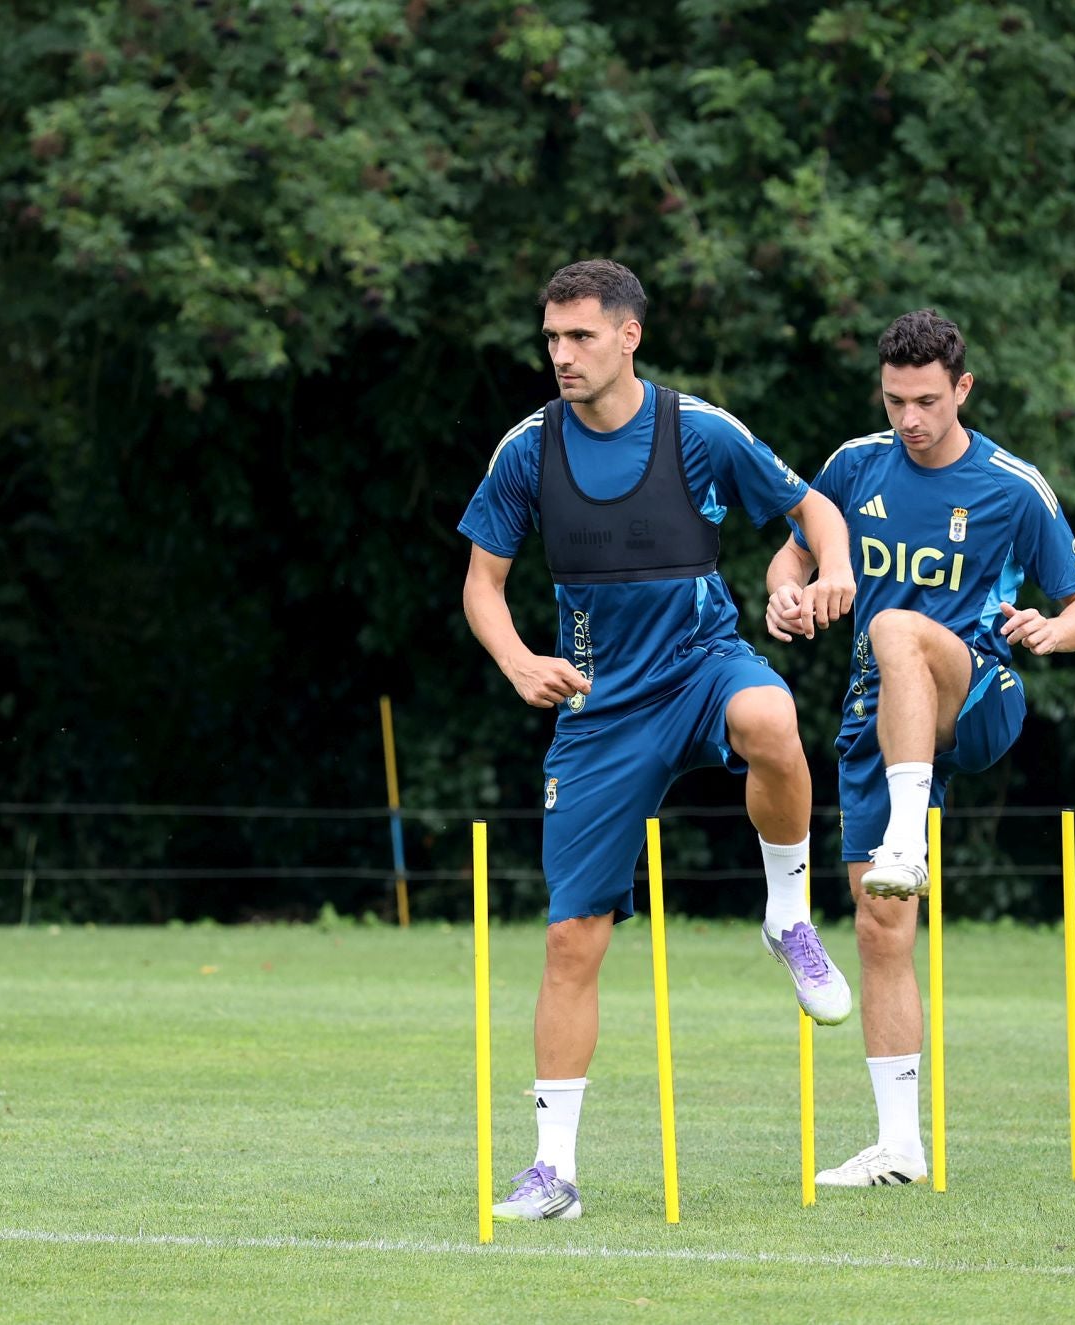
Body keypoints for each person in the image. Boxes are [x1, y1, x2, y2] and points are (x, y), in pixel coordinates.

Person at [459, 259, 856, 1221]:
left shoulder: (701, 430)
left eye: (580, 336)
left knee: (772, 718)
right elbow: (483, 587)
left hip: (703, 662)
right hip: (599, 706)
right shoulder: (528, 449)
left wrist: (832, 569)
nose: (561, 354)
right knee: (569, 940)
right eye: (551, 338)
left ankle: (789, 916)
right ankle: (553, 1172)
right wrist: (519, 662)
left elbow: (813, 509)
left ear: (628, 336)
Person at [763, 309, 1075, 1186]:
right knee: (881, 930)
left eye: (924, 401)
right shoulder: (851, 466)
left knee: (901, 629)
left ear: (963, 388)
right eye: (893, 401)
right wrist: (787, 598)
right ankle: (898, 1145)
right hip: (875, 721)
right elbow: (790, 558)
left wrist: (1053, 631)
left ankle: (909, 838)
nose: (908, 419)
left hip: (979, 693)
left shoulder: (1011, 487)